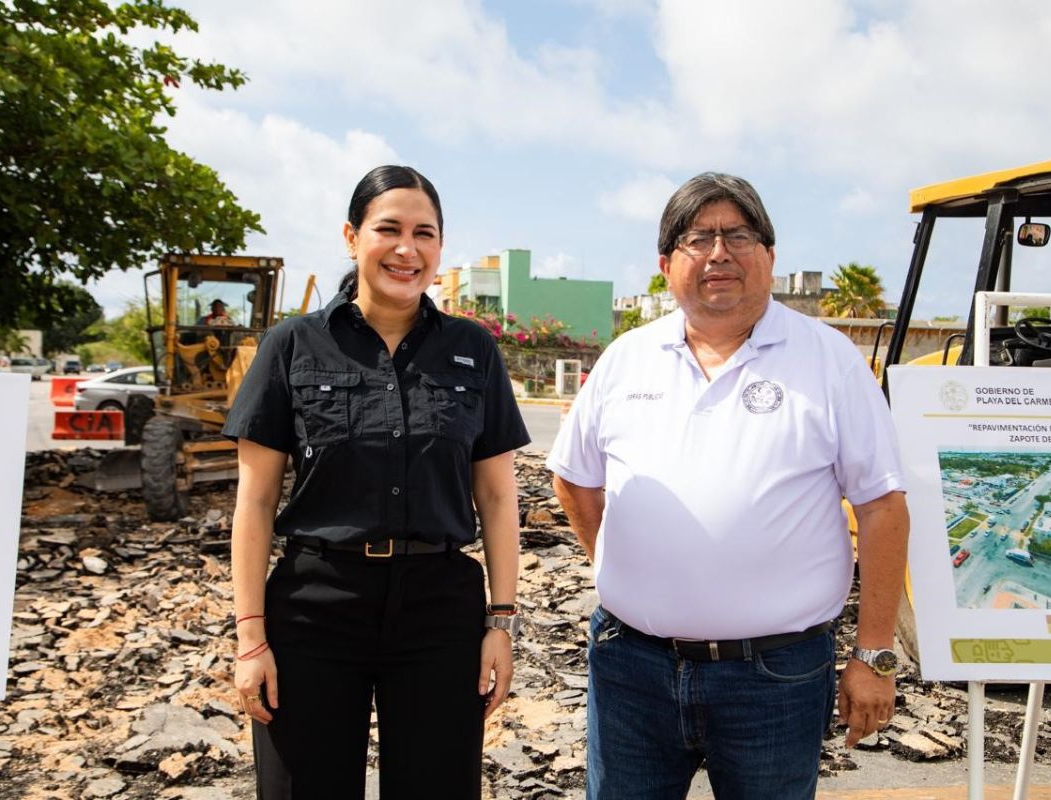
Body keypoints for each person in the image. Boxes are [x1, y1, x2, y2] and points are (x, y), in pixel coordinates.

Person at [547, 172, 909, 799]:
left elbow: (882, 508)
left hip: (775, 678)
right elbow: (575, 481)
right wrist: (619, 567)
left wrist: (873, 654)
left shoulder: (830, 361)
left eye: (738, 236)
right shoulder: (626, 359)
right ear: (667, 264)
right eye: (698, 239)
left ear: (769, 255)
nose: (719, 253)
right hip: (631, 670)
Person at [225, 165, 529, 799]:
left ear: (440, 247)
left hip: (438, 610)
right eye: (388, 229)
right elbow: (254, 502)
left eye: (425, 233)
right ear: (351, 237)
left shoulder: (473, 350)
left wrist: (501, 623)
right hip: (315, 606)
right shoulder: (292, 345)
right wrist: (251, 637)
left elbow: (499, 497)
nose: (406, 249)